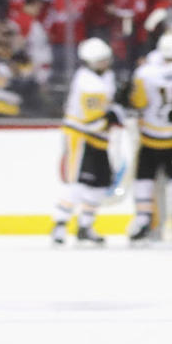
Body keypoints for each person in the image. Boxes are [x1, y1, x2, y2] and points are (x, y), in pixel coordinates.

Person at [52, 38, 124, 245]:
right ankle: (60, 224)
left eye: (105, 60)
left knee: (100, 183)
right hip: (81, 137)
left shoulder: (106, 76)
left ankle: (85, 225)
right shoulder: (88, 83)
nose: (104, 64)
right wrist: (111, 116)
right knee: (77, 182)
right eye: (99, 61)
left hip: (100, 138)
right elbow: (93, 121)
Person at [128, 33, 172, 243]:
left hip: (151, 135)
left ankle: (143, 220)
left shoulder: (145, 72)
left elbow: (138, 103)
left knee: (144, 179)